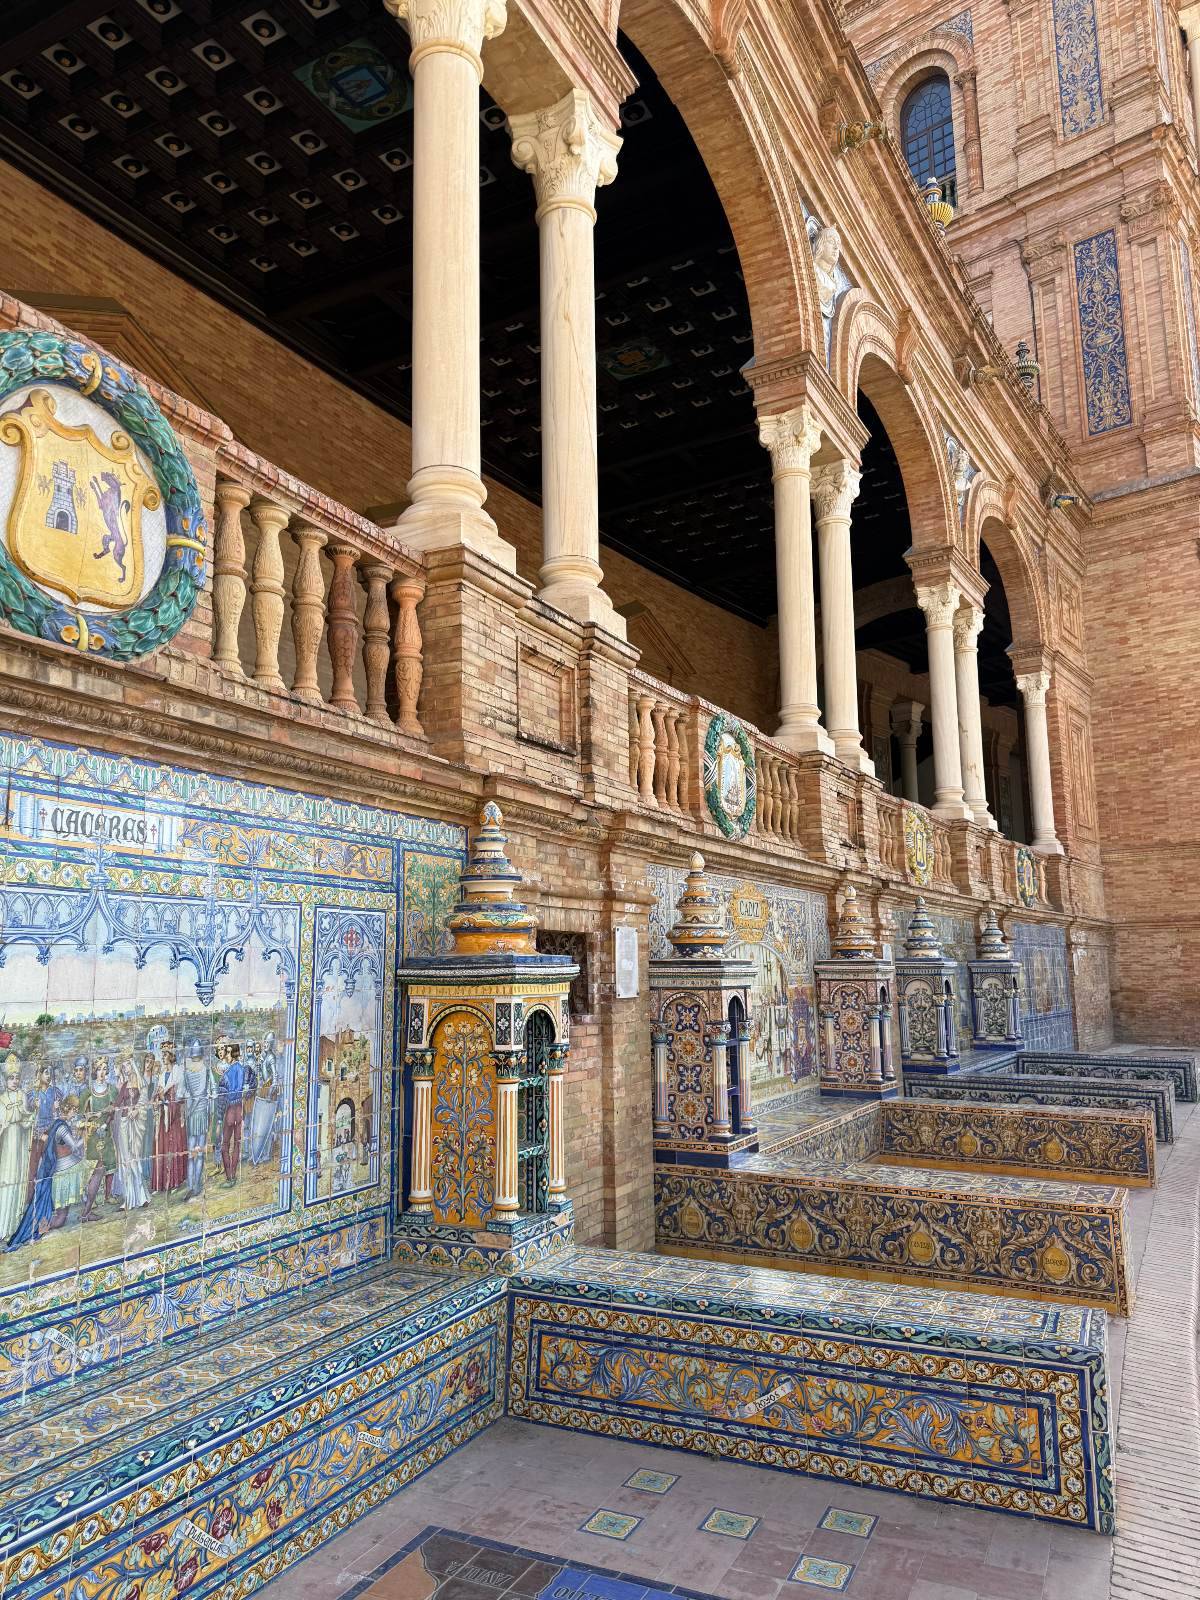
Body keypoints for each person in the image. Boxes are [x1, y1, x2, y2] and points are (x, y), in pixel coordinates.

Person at [0, 1055, 35, 1244]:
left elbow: (24, 1120)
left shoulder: (22, 1096)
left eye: (17, 1078)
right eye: (11, 1078)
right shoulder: (1, 1099)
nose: (15, 1081)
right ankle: (2, 1227)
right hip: (7, 1147)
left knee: (18, 1181)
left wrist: (31, 1115)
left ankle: (13, 1227)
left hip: (19, 1145)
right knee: (6, 1181)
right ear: (5, 1080)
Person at [80, 1057, 118, 1222]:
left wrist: (107, 1122)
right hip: (93, 1134)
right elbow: (82, 1113)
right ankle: (91, 1201)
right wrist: (93, 1121)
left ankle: (108, 1195)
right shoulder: (88, 1091)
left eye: (104, 1069)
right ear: (95, 1071)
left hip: (106, 1131)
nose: (102, 1072)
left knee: (109, 1161)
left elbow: (113, 1111)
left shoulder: (112, 1089)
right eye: (99, 1069)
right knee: (94, 1165)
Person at [113, 1056, 149, 1211]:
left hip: (136, 1125)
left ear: (133, 1065)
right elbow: (117, 1103)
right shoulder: (124, 1085)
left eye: (127, 1064)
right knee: (126, 1160)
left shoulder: (141, 1084)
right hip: (124, 1124)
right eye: (123, 1065)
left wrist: (137, 1111)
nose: (125, 1068)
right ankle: (129, 1198)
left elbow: (144, 1103)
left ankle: (141, 1197)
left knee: (134, 1159)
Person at [151, 1042, 187, 1193]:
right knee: (162, 1147)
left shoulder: (178, 1072)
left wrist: (165, 1099)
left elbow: (180, 1097)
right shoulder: (161, 1075)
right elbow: (157, 1094)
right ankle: (160, 1183)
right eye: (162, 1054)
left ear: (171, 1056)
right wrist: (157, 1099)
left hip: (174, 1116)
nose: (163, 1057)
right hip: (163, 1115)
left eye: (165, 1054)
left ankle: (175, 1182)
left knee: (174, 1146)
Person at [182, 1039, 213, 1200]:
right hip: (199, 1113)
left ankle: (193, 1185)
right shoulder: (204, 1070)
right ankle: (194, 1186)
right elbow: (208, 1091)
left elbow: (185, 1092)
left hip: (193, 1114)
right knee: (197, 1153)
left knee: (192, 1153)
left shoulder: (187, 1071)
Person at [27, 1063, 62, 1203]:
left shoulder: (55, 1091)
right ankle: (30, 1199)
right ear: (39, 1074)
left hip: (51, 1132)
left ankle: (49, 1199)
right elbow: (29, 1118)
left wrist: (55, 1109)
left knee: (50, 1165)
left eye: (50, 1073)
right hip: (37, 1135)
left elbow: (59, 1115)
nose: (48, 1076)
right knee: (34, 1167)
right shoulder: (32, 1094)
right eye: (46, 1072)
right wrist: (34, 1107)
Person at [247, 1031, 280, 1167]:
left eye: (268, 1043)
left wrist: (270, 1090)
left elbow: (275, 1075)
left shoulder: (271, 1057)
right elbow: (260, 1074)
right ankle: (256, 1154)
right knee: (260, 1123)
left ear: (271, 1044)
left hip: (269, 1091)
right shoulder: (263, 1057)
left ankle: (266, 1154)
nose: (266, 1045)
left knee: (268, 1124)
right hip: (263, 1090)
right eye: (264, 1042)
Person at [219, 1043, 245, 1186]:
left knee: (225, 1145)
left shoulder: (232, 1070)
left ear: (233, 1054)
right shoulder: (239, 1069)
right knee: (236, 1145)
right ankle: (232, 1175)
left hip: (231, 1109)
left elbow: (234, 1090)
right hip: (239, 1109)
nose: (226, 1056)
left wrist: (224, 1094)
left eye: (228, 1053)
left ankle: (230, 1177)